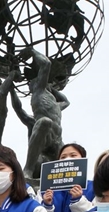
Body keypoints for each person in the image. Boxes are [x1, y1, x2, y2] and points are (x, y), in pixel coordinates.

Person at [16, 47, 70, 179]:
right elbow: (46, 64)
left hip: (57, 139)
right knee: (44, 122)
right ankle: (28, 169)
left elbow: (66, 102)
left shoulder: (53, 102)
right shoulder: (38, 92)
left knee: (64, 171)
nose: (31, 85)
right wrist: (33, 52)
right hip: (45, 135)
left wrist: (52, 89)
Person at [40, 143, 92, 212]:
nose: (68, 159)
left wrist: (78, 201)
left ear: (83, 159)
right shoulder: (46, 189)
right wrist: (47, 205)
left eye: (73, 155)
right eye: (63, 157)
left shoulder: (93, 187)